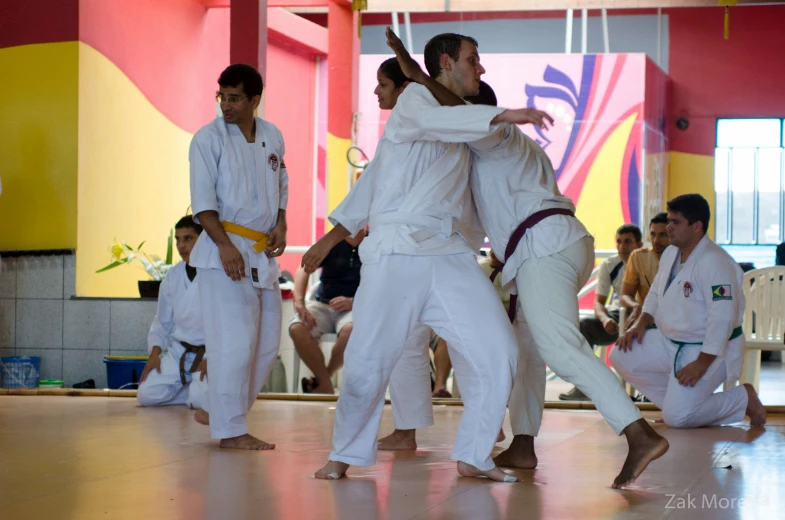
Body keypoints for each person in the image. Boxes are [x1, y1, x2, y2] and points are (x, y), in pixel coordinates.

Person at [386, 28, 669, 488]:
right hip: (550, 245)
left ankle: (637, 432)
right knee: (529, 347)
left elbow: (465, 115)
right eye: (473, 60)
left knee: (559, 347)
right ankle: (523, 442)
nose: (480, 68)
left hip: (545, 246)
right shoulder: (484, 159)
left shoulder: (497, 134)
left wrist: (414, 72)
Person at [301, 32, 550, 483]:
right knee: (370, 357)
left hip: (451, 255)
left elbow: (459, 136)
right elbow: (372, 183)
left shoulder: (462, 126)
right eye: (474, 59)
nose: (482, 68)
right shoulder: (415, 99)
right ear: (446, 63)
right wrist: (331, 238)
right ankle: (343, 454)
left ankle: (475, 454)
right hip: (397, 251)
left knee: (500, 350)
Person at [188, 63, 288, 450]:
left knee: (264, 343)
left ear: (254, 100)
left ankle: (217, 409)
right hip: (222, 251)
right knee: (234, 341)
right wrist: (225, 245)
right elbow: (203, 201)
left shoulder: (272, 135)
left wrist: (281, 222)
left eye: (234, 98)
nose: (226, 105)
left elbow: (282, 180)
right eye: (222, 97)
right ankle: (230, 431)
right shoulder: (207, 139)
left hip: (262, 252)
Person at [611, 194, 766, 429]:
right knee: (621, 355)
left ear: (697, 226)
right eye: (669, 221)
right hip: (669, 341)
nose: (668, 228)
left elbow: (721, 319)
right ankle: (681, 405)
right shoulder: (672, 253)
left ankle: (742, 398)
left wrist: (702, 363)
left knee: (679, 419)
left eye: (675, 222)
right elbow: (656, 291)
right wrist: (641, 323)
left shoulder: (716, 263)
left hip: (707, 349)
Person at [559, 224, 642, 401]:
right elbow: (599, 303)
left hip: (643, 317)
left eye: (628, 242)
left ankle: (642, 391)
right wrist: (604, 320)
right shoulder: (610, 265)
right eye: (619, 242)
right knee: (585, 326)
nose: (622, 247)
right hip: (616, 317)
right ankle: (585, 386)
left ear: (639, 245)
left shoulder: (648, 263)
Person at [137, 216, 208, 409]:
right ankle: (191, 390)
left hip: (209, 353)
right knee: (146, 395)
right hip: (179, 351)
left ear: (203, 239)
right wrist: (155, 354)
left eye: (188, 238)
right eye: (177, 239)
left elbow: (227, 323)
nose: (181, 245)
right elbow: (163, 321)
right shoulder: (173, 276)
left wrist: (214, 358)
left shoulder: (216, 273)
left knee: (200, 401)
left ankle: (194, 391)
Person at [290, 231, 365, 395]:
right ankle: (325, 383)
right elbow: (303, 269)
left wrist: (354, 302)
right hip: (323, 304)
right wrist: (300, 303)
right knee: (297, 328)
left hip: (356, 307)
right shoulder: (329, 242)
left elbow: (382, 285)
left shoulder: (373, 242)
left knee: (351, 331)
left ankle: (324, 380)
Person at [620, 212, 670, 326]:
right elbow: (625, 295)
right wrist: (635, 306)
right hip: (646, 319)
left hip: (675, 320)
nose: (656, 240)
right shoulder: (638, 257)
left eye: (662, 235)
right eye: (653, 234)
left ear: (672, 234)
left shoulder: (682, 257)